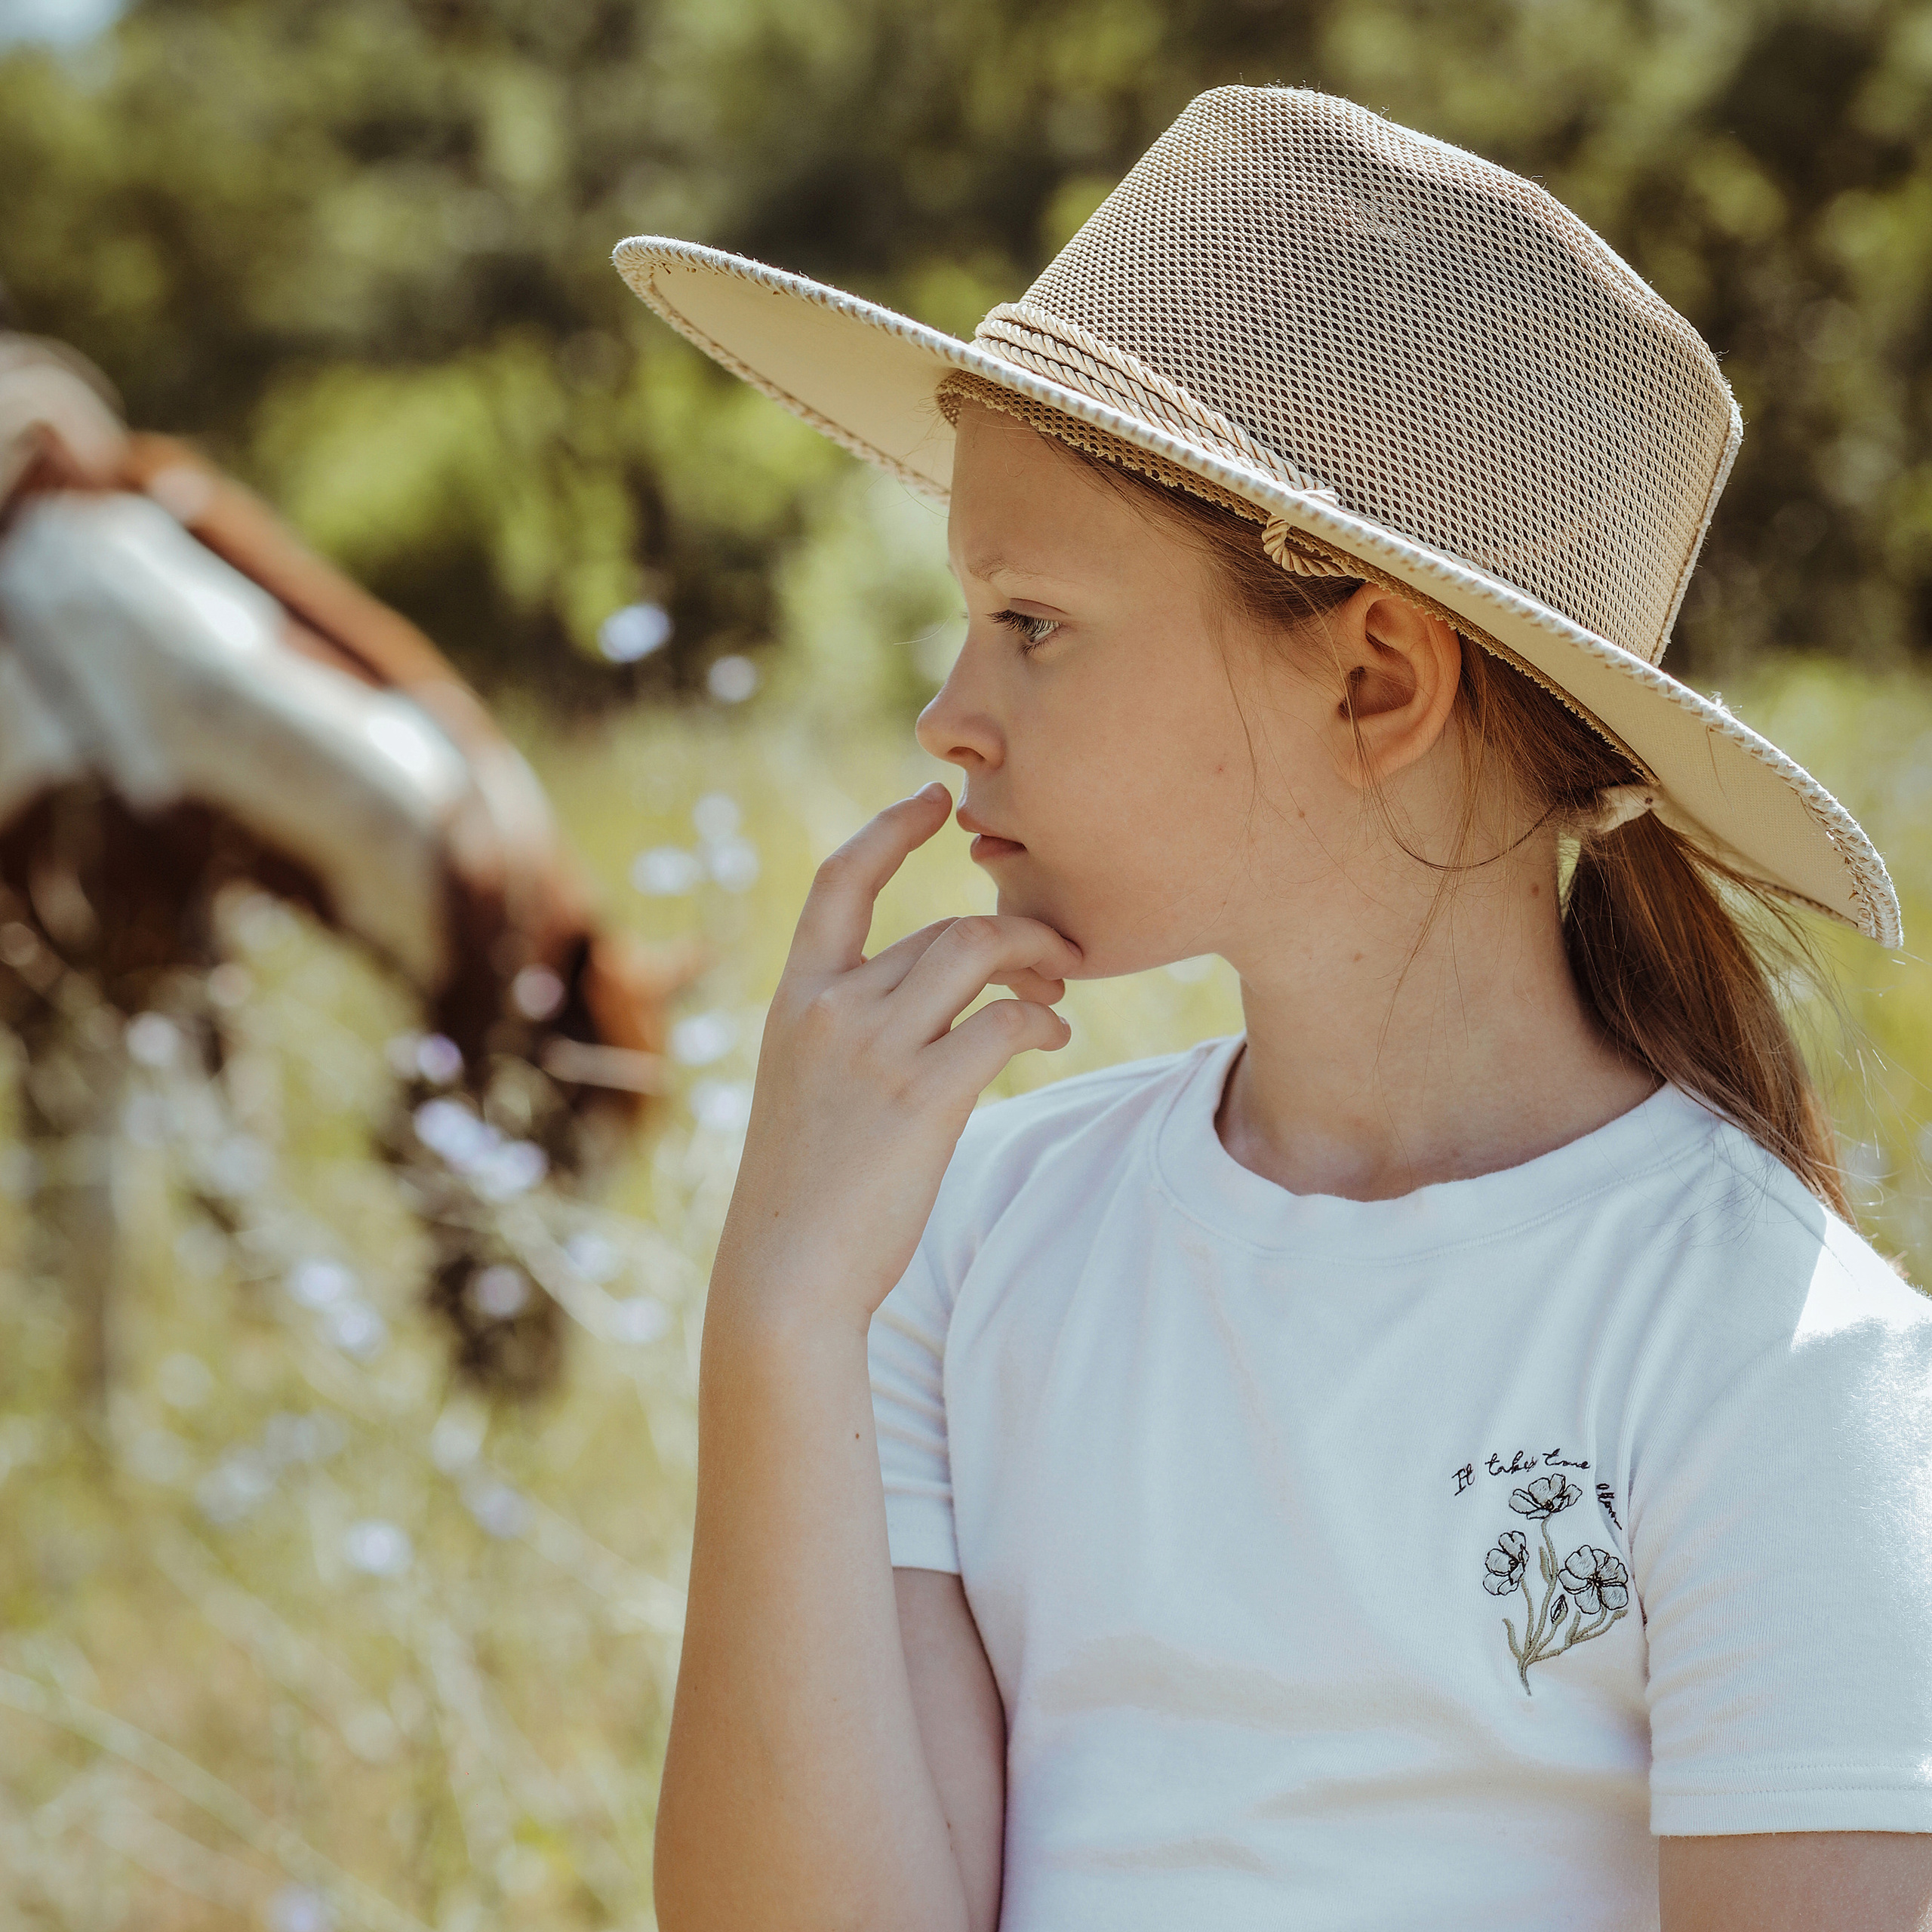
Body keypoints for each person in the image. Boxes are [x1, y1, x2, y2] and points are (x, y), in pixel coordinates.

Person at [614, 88, 1932, 1930]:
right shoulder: (966, 1236)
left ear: (1377, 673)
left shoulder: (1770, 1360)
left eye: (1031, 621)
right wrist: (777, 1308)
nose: (946, 715)